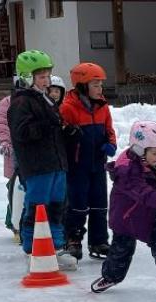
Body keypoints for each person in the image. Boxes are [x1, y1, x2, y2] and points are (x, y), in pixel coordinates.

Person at [91, 121, 156, 294]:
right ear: (140, 150)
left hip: (150, 214)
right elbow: (144, 193)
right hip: (126, 217)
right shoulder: (127, 171)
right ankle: (110, 277)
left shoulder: (152, 154)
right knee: (121, 252)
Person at [7, 50, 77, 270]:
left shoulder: (45, 99)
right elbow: (21, 133)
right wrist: (47, 127)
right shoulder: (21, 102)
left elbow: (53, 130)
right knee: (37, 207)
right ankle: (31, 249)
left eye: (47, 76)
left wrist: (67, 133)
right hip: (38, 166)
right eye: (41, 77)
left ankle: (55, 247)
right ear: (28, 77)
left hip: (56, 163)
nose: (46, 80)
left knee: (57, 207)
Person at [60, 62, 116, 260]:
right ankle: (72, 239)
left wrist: (111, 144)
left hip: (98, 163)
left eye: (100, 85)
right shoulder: (68, 107)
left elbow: (109, 129)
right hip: (77, 166)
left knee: (100, 203)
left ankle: (99, 241)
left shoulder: (103, 106)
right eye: (95, 85)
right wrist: (71, 136)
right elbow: (61, 135)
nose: (100, 89)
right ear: (82, 86)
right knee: (78, 204)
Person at [0, 79, 21, 242]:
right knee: (14, 188)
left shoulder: (37, 100)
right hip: (14, 153)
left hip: (34, 154)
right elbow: (1, 123)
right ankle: (13, 223)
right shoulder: (8, 103)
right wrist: (4, 141)